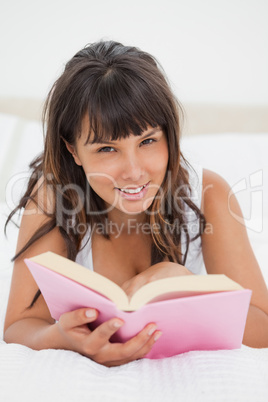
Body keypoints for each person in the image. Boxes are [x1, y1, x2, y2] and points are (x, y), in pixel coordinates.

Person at [3, 40, 268, 367]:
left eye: (148, 141)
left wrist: (188, 286)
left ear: (169, 135)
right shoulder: (53, 198)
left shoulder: (209, 195)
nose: (134, 171)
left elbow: (263, 327)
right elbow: (18, 327)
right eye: (106, 149)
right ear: (72, 150)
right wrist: (61, 338)